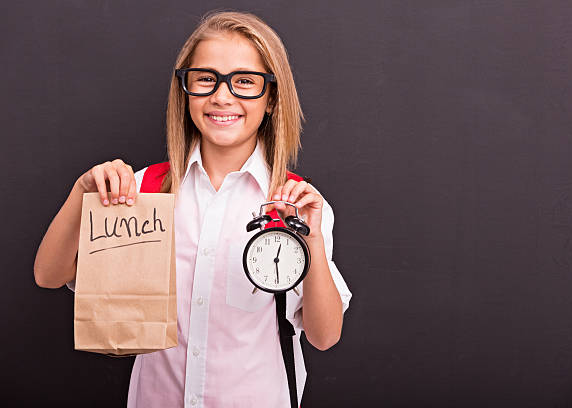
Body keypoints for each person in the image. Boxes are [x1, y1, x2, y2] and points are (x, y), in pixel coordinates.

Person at [33, 10, 352, 408]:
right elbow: (49, 275)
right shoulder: (145, 189)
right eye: (206, 79)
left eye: (245, 82)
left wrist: (313, 240)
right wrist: (82, 191)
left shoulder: (296, 202)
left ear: (271, 99)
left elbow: (324, 336)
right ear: (185, 92)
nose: (222, 96)